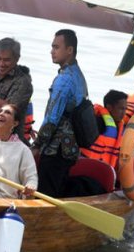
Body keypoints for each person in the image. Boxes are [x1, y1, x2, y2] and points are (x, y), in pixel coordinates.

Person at [31, 29, 89, 198]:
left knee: (45, 195)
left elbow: (51, 119)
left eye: (56, 47)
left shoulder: (64, 79)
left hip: (56, 149)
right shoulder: (79, 76)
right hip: (71, 149)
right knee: (58, 191)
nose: (52, 51)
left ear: (69, 50)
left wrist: (37, 145)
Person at [80, 90, 128, 169]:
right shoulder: (97, 123)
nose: (123, 113)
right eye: (121, 109)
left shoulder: (121, 129)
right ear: (109, 107)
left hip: (105, 171)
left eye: (125, 109)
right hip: (87, 168)